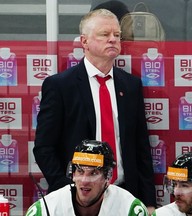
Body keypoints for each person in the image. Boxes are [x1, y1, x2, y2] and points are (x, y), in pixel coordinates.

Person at [33, 8, 156, 214]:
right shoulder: (61, 86)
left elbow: (141, 147)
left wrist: (148, 201)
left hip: (124, 195)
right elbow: (44, 147)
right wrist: (68, 191)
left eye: (117, 35)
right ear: (84, 42)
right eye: (104, 34)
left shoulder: (131, 85)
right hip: (79, 198)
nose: (113, 40)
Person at [26, 140, 150, 216]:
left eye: (94, 173)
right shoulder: (44, 210)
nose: (84, 181)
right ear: (72, 174)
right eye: (80, 171)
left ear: (108, 177)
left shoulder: (130, 209)